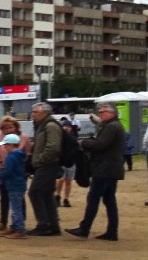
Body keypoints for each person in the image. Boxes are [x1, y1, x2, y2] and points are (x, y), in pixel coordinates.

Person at [65, 103, 126, 241]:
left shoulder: (111, 127)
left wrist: (84, 143)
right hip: (111, 168)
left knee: (93, 198)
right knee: (109, 200)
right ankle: (112, 231)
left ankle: (84, 228)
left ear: (111, 113)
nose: (100, 114)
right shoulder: (115, 125)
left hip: (105, 168)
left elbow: (101, 144)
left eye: (102, 112)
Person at [27, 102, 64, 236]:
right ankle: (53, 226)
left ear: (45, 113)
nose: (33, 115)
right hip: (46, 164)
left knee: (35, 192)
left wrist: (40, 159)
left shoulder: (50, 126)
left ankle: (43, 225)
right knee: (47, 194)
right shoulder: (42, 126)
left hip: (48, 165)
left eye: (36, 112)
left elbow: (53, 147)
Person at [0, 116, 30, 232]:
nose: (8, 130)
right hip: (3, 169)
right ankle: (4, 222)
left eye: (10, 127)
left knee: (18, 198)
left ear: (16, 126)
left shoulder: (24, 138)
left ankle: (19, 224)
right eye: (5, 128)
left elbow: (28, 154)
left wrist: (22, 166)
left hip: (18, 172)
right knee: (4, 196)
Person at [0, 134, 28, 240]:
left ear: (11, 145)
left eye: (6, 144)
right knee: (16, 207)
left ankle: (20, 229)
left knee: (15, 209)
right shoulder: (20, 155)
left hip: (14, 185)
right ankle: (14, 227)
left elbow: (8, 171)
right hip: (19, 184)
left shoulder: (11, 156)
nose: (4, 147)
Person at [56, 118, 78, 209]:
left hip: (71, 161)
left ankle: (66, 198)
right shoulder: (59, 136)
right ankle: (57, 196)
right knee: (61, 179)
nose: (67, 128)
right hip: (61, 161)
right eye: (65, 126)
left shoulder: (73, 136)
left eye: (68, 126)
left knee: (68, 181)